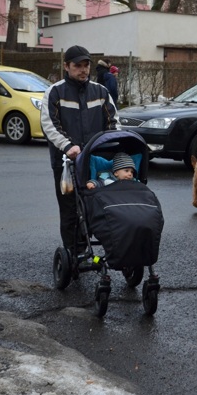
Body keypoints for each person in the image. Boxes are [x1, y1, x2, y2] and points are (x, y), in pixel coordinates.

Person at [41, 45, 119, 251]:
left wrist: (108, 146)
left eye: (86, 65)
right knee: (69, 209)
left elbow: (113, 123)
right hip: (66, 163)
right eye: (78, 66)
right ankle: (73, 253)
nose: (83, 70)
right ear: (66, 66)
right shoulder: (55, 92)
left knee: (96, 204)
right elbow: (49, 125)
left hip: (96, 161)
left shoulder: (100, 92)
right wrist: (68, 146)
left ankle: (96, 247)